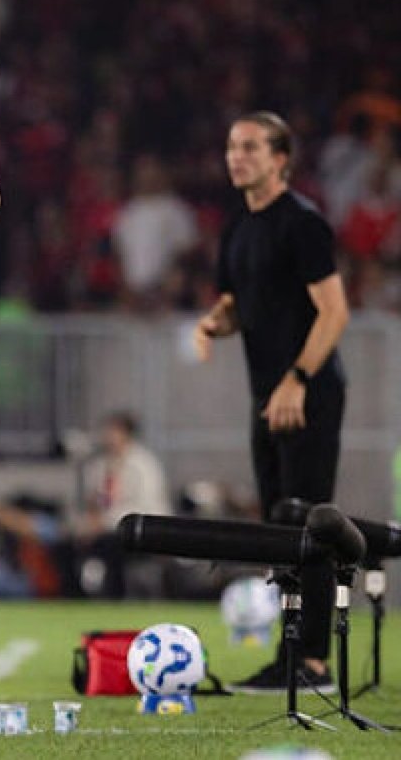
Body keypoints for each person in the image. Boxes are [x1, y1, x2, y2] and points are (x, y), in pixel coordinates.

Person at [192, 111, 350, 694]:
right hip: (268, 396)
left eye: (252, 147)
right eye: (233, 146)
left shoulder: (303, 224)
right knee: (277, 529)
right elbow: (240, 302)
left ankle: (313, 663)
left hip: (308, 393)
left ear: (281, 158)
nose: (238, 156)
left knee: (309, 523)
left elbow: (334, 311)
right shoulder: (237, 228)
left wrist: (298, 380)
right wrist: (215, 322)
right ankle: (288, 655)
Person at [69, 412, 171, 598]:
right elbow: (94, 502)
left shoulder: (144, 465)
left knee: (112, 545)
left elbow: (145, 507)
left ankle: (117, 595)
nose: (108, 436)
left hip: (141, 530)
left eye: (114, 431)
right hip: (105, 528)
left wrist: (106, 522)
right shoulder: (99, 466)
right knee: (69, 545)